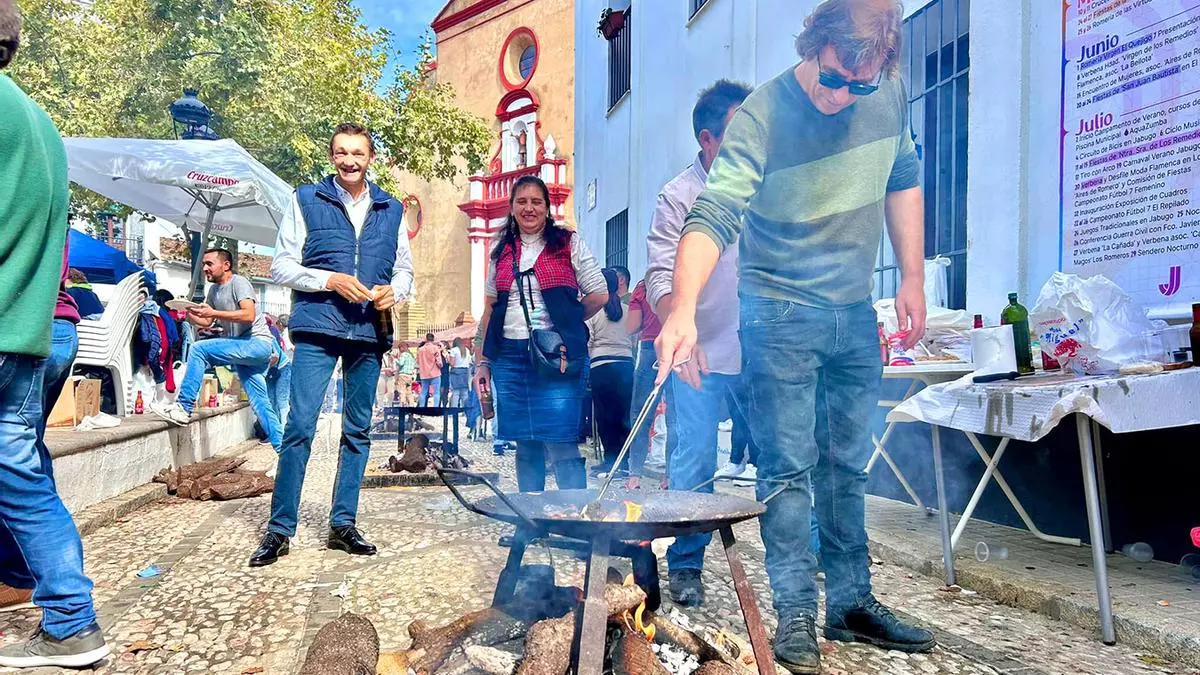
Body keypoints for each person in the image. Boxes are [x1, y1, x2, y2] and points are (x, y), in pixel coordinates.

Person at [655, 1, 934, 670]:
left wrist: (914, 277)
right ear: (816, 45)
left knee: (846, 462)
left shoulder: (887, 91)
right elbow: (714, 213)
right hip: (778, 312)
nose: (843, 98)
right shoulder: (763, 115)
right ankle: (796, 616)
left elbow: (903, 179)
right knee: (789, 471)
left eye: (858, 86)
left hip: (852, 311)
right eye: (834, 78)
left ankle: (850, 599)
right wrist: (683, 305)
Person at [0, 2, 110, 665]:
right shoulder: (38, 120)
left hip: (9, 326)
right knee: (19, 464)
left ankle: (71, 615)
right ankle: (23, 583)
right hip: (30, 328)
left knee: (15, 465)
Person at [252, 122, 414, 567]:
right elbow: (281, 266)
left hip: (369, 330)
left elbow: (405, 271)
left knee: (358, 431)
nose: (349, 160)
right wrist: (330, 280)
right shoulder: (306, 199)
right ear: (331, 155)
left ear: (370, 158)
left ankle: (343, 524)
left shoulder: (391, 209)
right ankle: (279, 529)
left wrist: (393, 291)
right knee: (300, 425)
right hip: (319, 327)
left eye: (357, 153)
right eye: (341, 152)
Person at [644, 79, 752, 608]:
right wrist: (681, 334)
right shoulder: (678, 195)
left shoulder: (764, 184)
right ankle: (686, 565)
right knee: (695, 460)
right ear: (708, 140)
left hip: (762, 348)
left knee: (789, 455)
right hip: (698, 349)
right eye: (737, 131)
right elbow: (661, 278)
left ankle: (801, 563)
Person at [475, 175, 608, 491]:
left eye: (536, 201)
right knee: (524, 442)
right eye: (521, 201)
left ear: (548, 208)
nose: (529, 208)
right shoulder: (502, 251)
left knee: (561, 441)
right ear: (512, 208)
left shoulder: (568, 243)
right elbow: (491, 308)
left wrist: (567, 327)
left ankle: (574, 521)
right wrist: (482, 362)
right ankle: (531, 520)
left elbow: (599, 293)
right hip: (508, 355)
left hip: (554, 357)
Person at [150, 249, 283, 449]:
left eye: (209, 264)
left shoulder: (239, 283)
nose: (205, 268)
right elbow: (207, 321)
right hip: (243, 350)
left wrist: (213, 311)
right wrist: (188, 312)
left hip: (257, 344)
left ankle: (184, 407)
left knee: (198, 349)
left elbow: (248, 314)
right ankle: (284, 457)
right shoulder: (213, 291)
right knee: (261, 405)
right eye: (203, 264)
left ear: (226, 265)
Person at [585, 268, 634, 477]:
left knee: (604, 417)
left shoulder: (594, 312)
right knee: (624, 415)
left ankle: (610, 461)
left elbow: (588, 342)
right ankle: (625, 462)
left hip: (601, 367)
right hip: (625, 365)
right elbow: (634, 340)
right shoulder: (629, 310)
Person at [624, 278, 664, 489]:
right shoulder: (679, 281)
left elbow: (631, 327)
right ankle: (670, 475)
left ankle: (635, 476)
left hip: (650, 349)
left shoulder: (642, 288)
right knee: (677, 415)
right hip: (679, 346)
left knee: (640, 413)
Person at [417, 333, 443, 406]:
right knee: (436, 392)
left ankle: (421, 408)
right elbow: (439, 362)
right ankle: (435, 408)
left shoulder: (420, 350)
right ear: (433, 339)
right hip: (435, 373)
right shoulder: (435, 348)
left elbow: (417, 361)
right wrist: (440, 366)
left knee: (423, 392)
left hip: (424, 373)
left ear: (426, 339)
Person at [448, 337, 472, 408]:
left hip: (456, 372)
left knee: (456, 393)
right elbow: (469, 361)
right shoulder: (466, 350)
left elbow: (452, 363)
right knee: (465, 393)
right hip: (465, 371)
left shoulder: (453, 350)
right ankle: (465, 410)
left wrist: (448, 359)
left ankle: (454, 410)